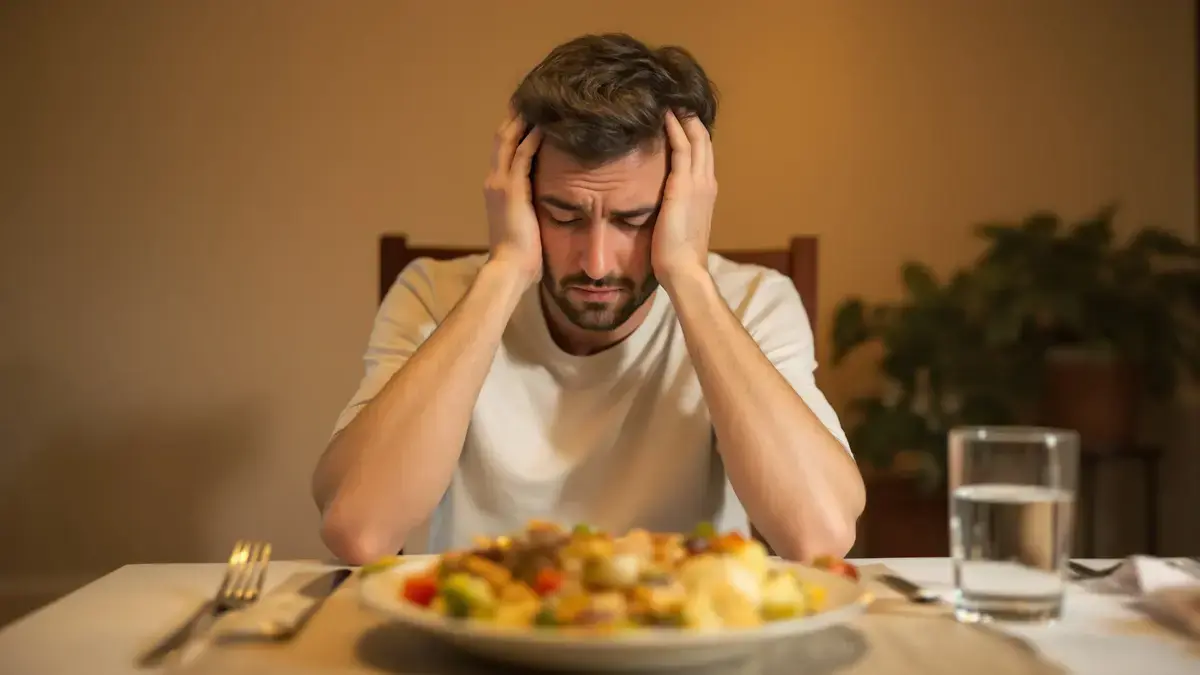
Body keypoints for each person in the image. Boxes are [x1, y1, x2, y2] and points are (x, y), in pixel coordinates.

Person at [312, 33, 865, 564]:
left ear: (684, 206)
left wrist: (688, 276)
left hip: (679, 645)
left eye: (634, 220)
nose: (597, 263)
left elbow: (818, 535)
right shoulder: (433, 295)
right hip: (479, 643)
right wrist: (505, 270)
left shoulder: (754, 301)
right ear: (520, 197)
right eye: (564, 215)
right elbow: (360, 531)